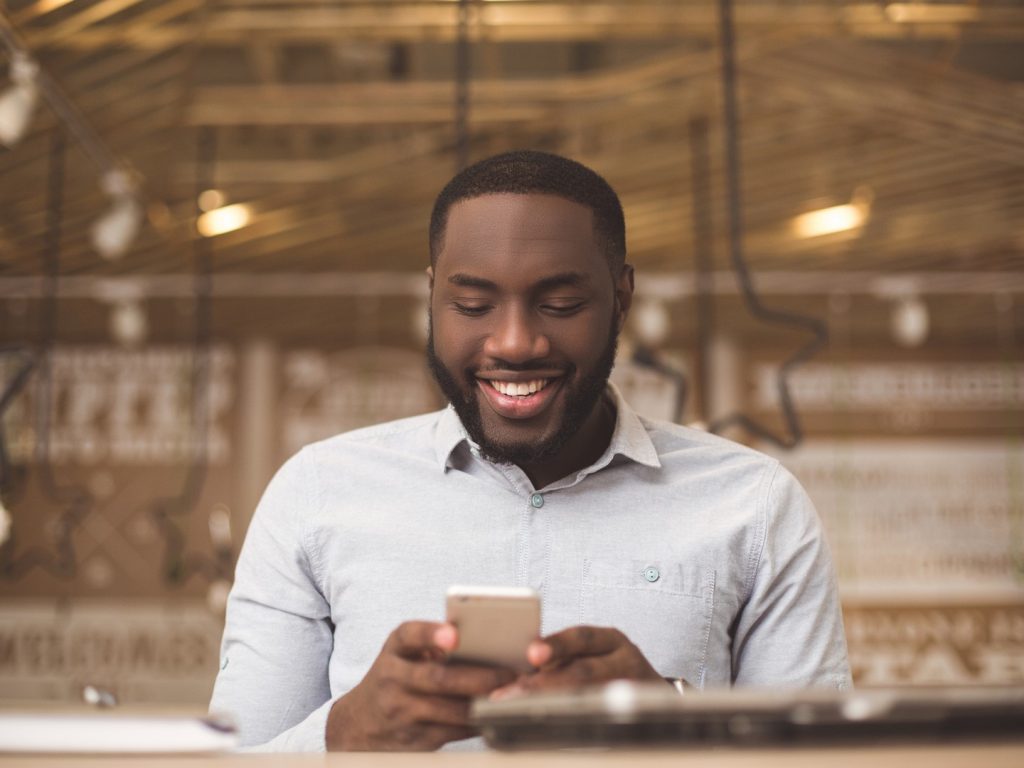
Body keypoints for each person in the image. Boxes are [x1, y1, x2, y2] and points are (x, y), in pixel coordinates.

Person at [210, 150, 851, 752]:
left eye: (561, 304)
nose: (514, 342)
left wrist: (671, 725)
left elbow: (826, 764)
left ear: (621, 299)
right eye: (472, 304)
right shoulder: (317, 495)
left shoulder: (756, 507)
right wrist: (345, 733)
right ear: (432, 299)